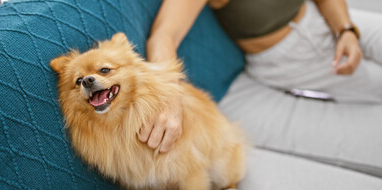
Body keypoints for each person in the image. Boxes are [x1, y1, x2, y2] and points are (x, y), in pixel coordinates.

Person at [138, 0, 382, 153]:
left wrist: (346, 30)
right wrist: (169, 97)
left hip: (325, 19)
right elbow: (163, 36)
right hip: (293, 55)